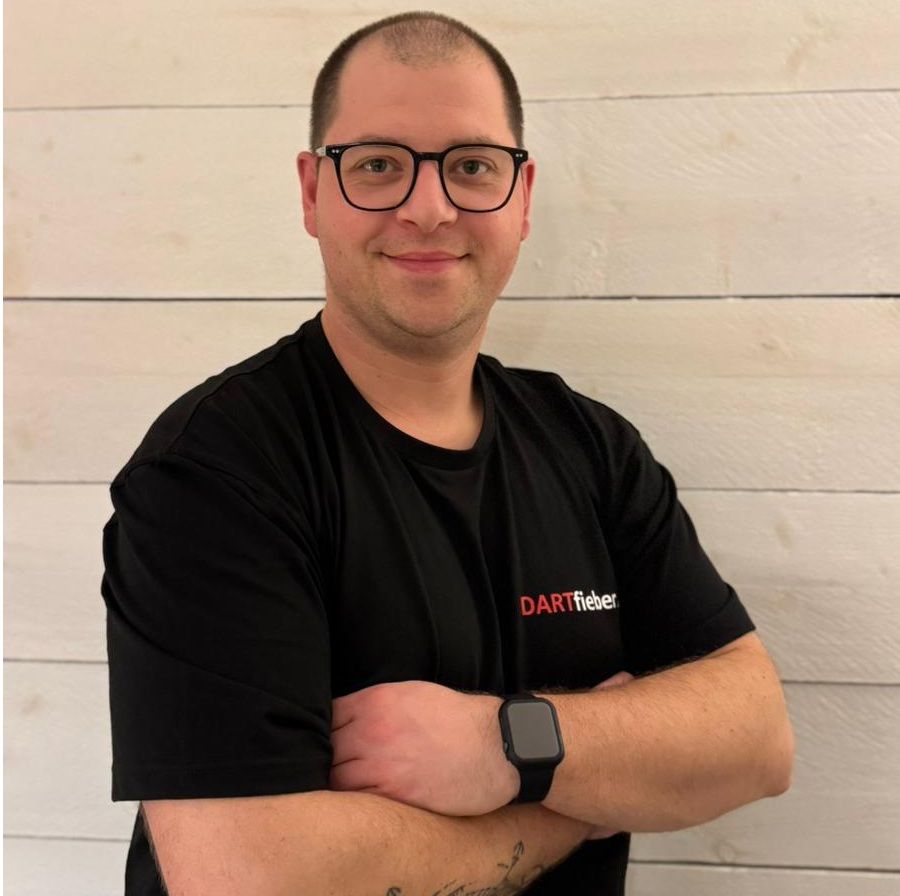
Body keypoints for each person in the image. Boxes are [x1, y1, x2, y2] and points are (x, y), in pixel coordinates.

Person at [101, 11, 794, 895]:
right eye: (377, 165)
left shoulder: (591, 447)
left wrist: (502, 744)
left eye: (471, 166)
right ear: (313, 192)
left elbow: (757, 738)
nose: (428, 208)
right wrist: (578, 794)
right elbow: (249, 878)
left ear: (522, 197)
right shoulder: (215, 473)